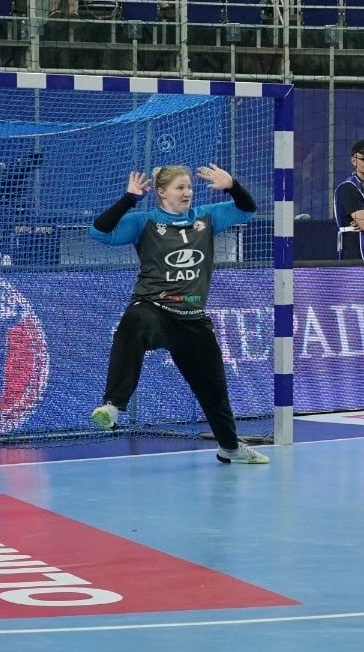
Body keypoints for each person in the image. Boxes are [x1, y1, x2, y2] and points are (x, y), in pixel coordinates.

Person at [87, 163, 269, 465]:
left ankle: (229, 448)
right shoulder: (144, 222)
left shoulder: (206, 218)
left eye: (189, 187)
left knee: (214, 389)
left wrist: (232, 186)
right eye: (180, 188)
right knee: (133, 322)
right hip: (154, 309)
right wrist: (129, 198)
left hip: (192, 317)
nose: (187, 193)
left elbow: (246, 210)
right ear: (162, 192)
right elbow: (99, 231)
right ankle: (113, 406)